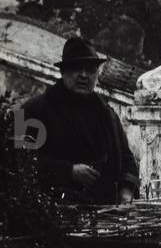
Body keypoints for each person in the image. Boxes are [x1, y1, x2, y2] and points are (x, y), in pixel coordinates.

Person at [21, 36, 138, 205]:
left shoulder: (108, 114)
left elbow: (127, 158)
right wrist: (68, 171)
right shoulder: (28, 111)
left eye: (90, 69)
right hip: (54, 215)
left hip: (106, 215)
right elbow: (17, 163)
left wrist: (127, 189)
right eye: (76, 68)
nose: (83, 75)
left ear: (97, 74)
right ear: (63, 72)